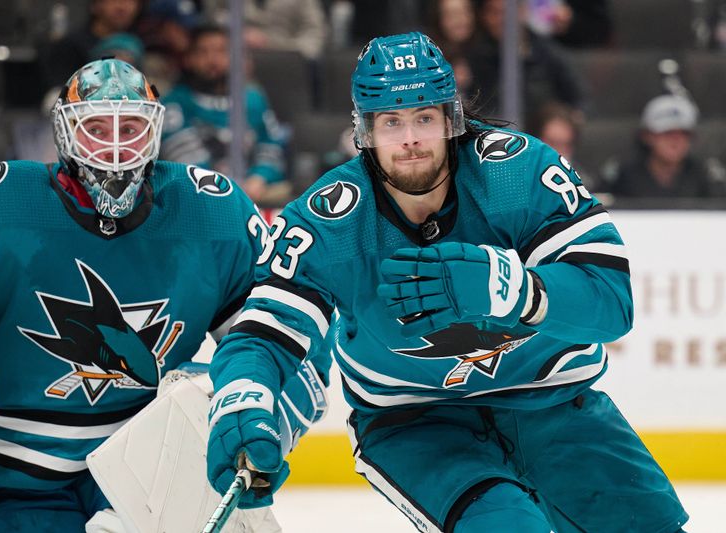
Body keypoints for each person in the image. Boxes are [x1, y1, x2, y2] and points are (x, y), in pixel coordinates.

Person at [204, 32, 689, 532]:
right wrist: (243, 397)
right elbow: (264, 335)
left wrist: (514, 289)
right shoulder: (327, 222)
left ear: (451, 120)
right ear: (364, 131)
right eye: (391, 121)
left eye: (423, 118)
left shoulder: (518, 174)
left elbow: (610, 303)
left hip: (556, 403)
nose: (410, 138)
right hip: (418, 423)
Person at [0, 58, 326, 532]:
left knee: (206, 389)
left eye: (131, 127)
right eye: (96, 127)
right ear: (66, 133)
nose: (116, 148)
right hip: (11, 483)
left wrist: (261, 423)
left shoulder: (212, 212)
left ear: (155, 132)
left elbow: (282, 341)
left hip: (152, 474)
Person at [160, 23, 290, 204]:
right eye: (202, 52)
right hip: (200, 198)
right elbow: (182, 156)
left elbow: (271, 144)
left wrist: (259, 178)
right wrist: (224, 188)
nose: (212, 60)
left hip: (253, 194)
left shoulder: (253, 99)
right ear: (188, 59)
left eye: (221, 51)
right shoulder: (174, 102)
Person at [603, 93, 725, 199]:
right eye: (667, 133)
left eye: (683, 133)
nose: (675, 141)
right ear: (647, 136)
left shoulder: (707, 177)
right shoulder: (622, 177)